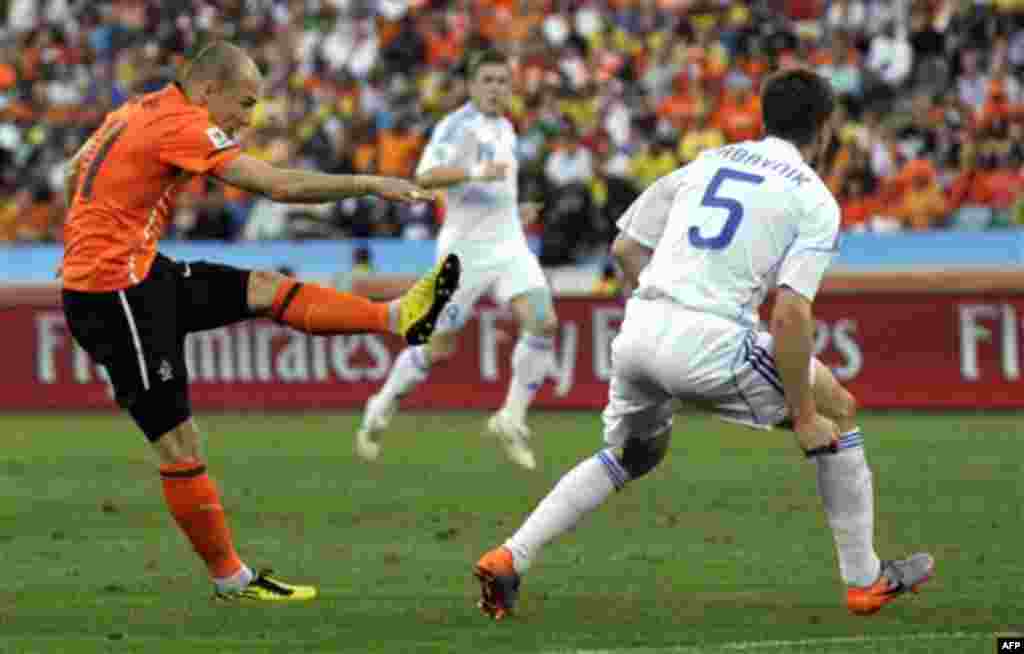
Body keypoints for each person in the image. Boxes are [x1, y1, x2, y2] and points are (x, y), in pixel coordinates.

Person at [473, 68, 934, 620]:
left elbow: (624, 250)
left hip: (641, 330)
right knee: (837, 407)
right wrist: (805, 415)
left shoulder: (709, 162)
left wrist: (657, 311)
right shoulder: (813, 197)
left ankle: (510, 555)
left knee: (633, 454)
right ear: (825, 128)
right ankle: (865, 580)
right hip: (712, 341)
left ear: (763, 117)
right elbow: (790, 313)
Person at [60, 42, 461, 602]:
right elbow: (281, 187)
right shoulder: (180, 124)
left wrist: (102, 222)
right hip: (113, 294)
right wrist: (372, 183)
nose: (247, 119)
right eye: (243, 104)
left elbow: (76, 166)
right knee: (179, 443)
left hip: (140, 273)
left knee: (262, 289)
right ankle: (232, 580)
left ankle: (396, 316)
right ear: (207, 91)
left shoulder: (136, 109)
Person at [355, 50, 557, 470]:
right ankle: (383, 402)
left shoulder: (506, 127)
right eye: (488, 80)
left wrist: (514, 211)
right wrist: (474, 173)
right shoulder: (456, 126)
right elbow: (426, 176)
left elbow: (499, 187)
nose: (496, 88)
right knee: (439, 347)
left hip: (509, 245)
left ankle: (512, 418)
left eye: (503, 80)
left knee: (543, 320)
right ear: (471, 84)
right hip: (463, 254)